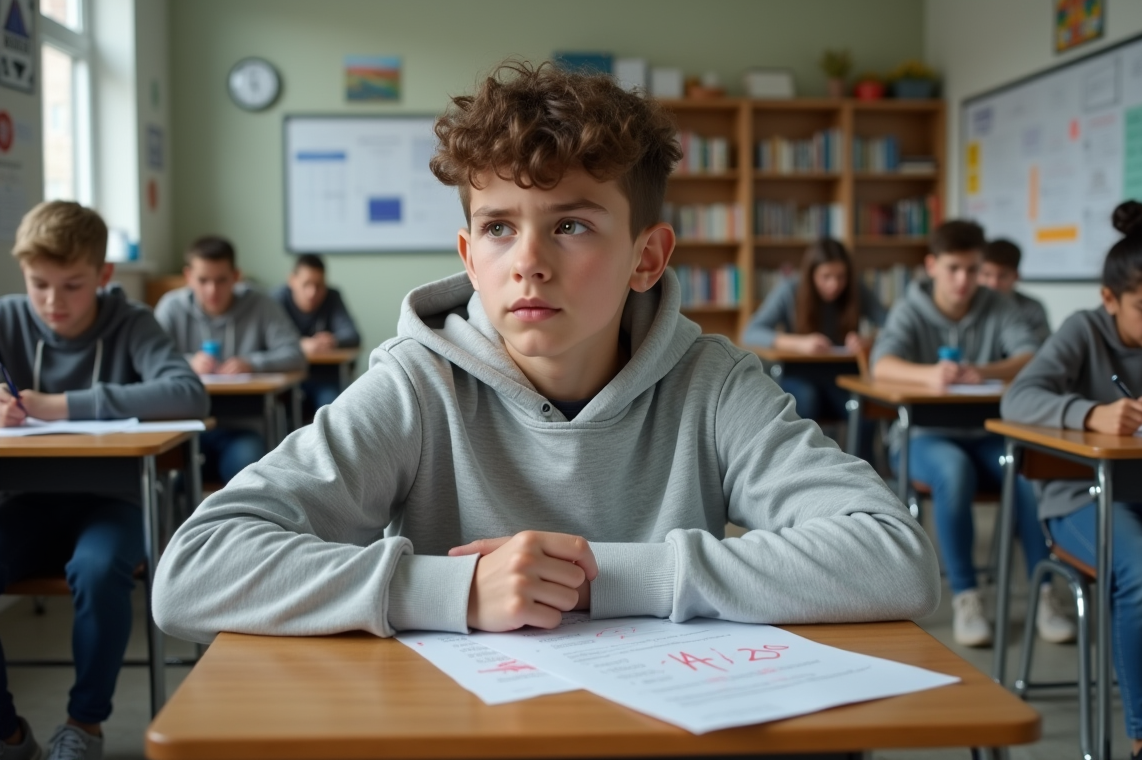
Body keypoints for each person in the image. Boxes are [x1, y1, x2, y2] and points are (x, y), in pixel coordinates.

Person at [152, 61, 939, 646]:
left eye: (571, 224)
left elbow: (896, 557)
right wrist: (454, 589)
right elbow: (195, 569)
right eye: (499, 226)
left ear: (648, 256)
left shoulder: (713, 385)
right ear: (468, 254)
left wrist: (603, 576)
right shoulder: (416, 385)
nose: (527, 260)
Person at [0, 201, 208, 760]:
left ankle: (82, 726)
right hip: (26, 501)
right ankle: (8, 734)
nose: (52, 302)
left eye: (72, 285)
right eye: (39, 284)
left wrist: (59, 405)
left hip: (113, 501)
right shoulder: (8, 317)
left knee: (98, 569)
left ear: (103, 275)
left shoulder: (131, 322)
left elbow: (188, 393)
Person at [1001, 201, 1142, 760]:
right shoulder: (1082, 330)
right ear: (1109, 299)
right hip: (1080, 500)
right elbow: (1018, 397)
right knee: (1141, 569)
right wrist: (1091, 413)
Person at [870, 219, 1075, 648]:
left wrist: (980, 370)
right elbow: (881, 365)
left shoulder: (997, 306)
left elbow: (1030, 355)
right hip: (924, 437)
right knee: (953, 471)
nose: (964, 280)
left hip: (985, 435)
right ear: (931, 266)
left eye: (972, 268)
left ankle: (1044, 593)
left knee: (1026, 471)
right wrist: (931, 376)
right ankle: (967, 595)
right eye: (953, 269)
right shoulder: (910, 308)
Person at [155, 236, 305, 484]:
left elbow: (295, 355)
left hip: (241, 430)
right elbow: (148, 364)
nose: (212, 290)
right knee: (169, 474)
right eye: (203, 280)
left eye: (221, 280)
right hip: (184, 431)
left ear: (236, 276)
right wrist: (187, 363)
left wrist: (253, 363)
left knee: (248, 468)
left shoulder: (261, 304)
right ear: (188, 276)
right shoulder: (171, 307)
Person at [741, 238, 887, 458]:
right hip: (799, 375)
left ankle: (862, 476)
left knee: (863, 408)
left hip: (841, 377)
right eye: (826, 277)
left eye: (841, 277)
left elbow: (893, 326)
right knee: (806, 400)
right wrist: (799, 343)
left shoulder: (856, 290)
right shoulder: (790, 290)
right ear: (811, 275)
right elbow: (751, 332)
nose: (834, 285)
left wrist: (869, 341)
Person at [272, 253, 361, 412]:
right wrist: (299, 345)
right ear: (292, 280)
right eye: (306, 284)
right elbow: (265, 341)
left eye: (319, 285)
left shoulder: (332, 296)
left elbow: (352, 335)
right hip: (285, 379)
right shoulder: (276, 299)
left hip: (323, 377)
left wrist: (332, 341)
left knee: (334, 406)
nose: (312, 292)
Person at [979, 238, 1051, 344]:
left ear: (1016, 276)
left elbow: (1042, 349)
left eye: (1002, 276)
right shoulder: (967, 306)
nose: (993, 283)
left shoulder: (1033, 309)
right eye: (986, 274)